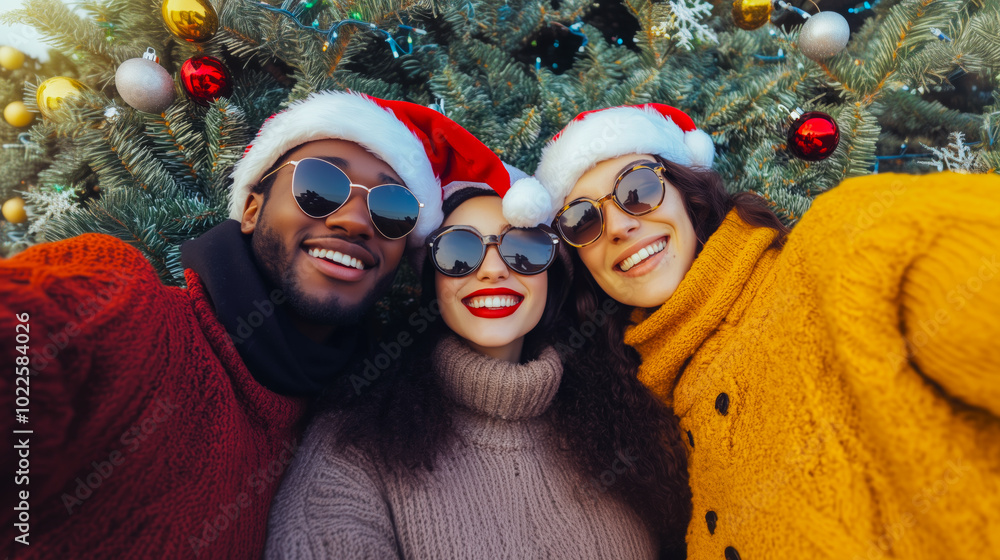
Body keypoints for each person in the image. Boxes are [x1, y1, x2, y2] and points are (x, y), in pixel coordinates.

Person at [0, 91, 512, 559]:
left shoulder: (364, 424)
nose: (356, 221)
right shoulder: (129, 311)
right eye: (319, 185)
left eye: (393, 208)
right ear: (250, 208)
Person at [502, 103, 1000, 559]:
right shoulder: (652, 415)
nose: (616, 227)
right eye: (583, 219)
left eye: (638, 189)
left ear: (688, 195)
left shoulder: (838, 254)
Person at [264, 174, 692, 559]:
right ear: (431, 280)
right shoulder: (355, 444)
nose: (492, 270)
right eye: (458, 250)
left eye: (522, 248)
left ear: (552, 275)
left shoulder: (627, 421)